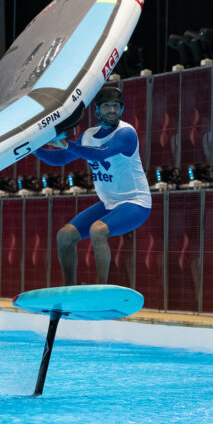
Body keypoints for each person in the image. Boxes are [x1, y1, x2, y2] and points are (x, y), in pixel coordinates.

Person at [33, 85, 152, 285]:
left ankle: (100, 288)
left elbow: (100, 154)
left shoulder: (126, 133)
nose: (112, 110)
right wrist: (33, 149)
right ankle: (70, 289)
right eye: (106, 106)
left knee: (98, 230)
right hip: (109, 203)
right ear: (97, 110)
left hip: (135, 203)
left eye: (116, 106)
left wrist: (68, 144)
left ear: (122, 109)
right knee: (64, 236)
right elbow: (61, 159)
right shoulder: (88, 135)